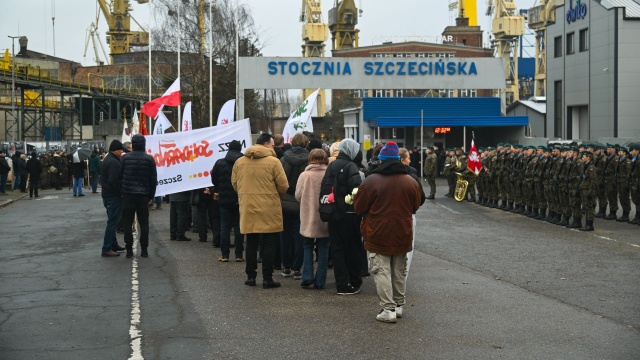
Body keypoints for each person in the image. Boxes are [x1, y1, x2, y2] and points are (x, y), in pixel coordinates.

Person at [353, 141, 422, 323]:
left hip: (378, 231)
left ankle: (388, 308)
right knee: (399, 270)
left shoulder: (371, 181)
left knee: (381, 269)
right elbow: (415, 205)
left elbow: (359, 207)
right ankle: (399, 305)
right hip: (403, 231)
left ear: (381, 160)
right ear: (399, 160)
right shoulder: (411, 181)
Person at [232, 133, 288, 289]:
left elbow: (235, 183)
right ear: (265, 144)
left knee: (251, 242)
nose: (272, 147)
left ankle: (250, 276)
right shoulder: (274, 162)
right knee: (269, 243)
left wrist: (245, 195)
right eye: (271, 144)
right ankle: (267, 278)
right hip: (269, 207)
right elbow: (283, 185)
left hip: (248, 206)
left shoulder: (239, 162)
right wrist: (275, 196)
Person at [323, 138, 364, 295]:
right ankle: (354, 281)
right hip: (349, 213)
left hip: (333, 212)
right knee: (353, 248)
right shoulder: (350, 166)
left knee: (338, 249)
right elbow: (356, 190)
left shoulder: (332, 164)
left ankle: (341, 283)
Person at [295, 149, 330, 289]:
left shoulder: (305, 175)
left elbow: (298, 195)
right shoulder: (328, 174)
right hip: (324, 216)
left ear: (310, 159)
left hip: (308, 216)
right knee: (323, 248)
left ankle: (307, 276)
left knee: (307, 246)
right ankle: (320, 281)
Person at [119, 134, 157, 258]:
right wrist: (151, 195)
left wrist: (122, 192)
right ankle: (144, 249)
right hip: (143, 194)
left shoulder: (124, 158)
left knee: (127, 222)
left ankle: (129, 249)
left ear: (133, 145)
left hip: (128, 194)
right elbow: (153, 179)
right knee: (144, 223)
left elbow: (119, 177)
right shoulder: (149, 159)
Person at [280, 133, 309, 279]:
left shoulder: (283, 159)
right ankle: (297, 268)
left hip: (284, 201)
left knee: (285, 236)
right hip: (301, 202)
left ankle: (286, 267)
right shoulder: (309, 160)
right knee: (300, 236)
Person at [211, 140, 244, 261]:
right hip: (239, 198)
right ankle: (239, 255)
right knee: (238, 227)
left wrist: (219, 189)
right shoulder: (243, 163)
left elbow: (214, 179)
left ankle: (225, 254)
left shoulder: (220, 163)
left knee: (224, 226)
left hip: (224, 198)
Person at [101, 140, 126, 257]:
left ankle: (113, 244)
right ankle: (106, 247)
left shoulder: (108, 159)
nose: (122, 152)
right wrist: (121, 193)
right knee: (112, 222)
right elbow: (113, 181)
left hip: (107, 195)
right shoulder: (114, 163)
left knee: (113, 221)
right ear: (115, 150)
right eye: (120, 149)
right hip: (113, 196)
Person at [579, 151, 597, 231]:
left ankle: (590, 225)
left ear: (588, 157)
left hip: (588, 190)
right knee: (586, 207)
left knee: (589, 207)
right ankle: (587, 224)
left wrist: (590, 192)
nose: (582, 158)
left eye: (584, 156)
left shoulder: (591, 168)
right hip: (584, 189)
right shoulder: (586, 166)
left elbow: (593, 181)